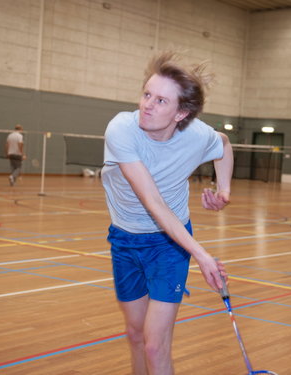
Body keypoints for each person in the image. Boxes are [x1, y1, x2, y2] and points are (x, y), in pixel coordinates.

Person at [101, 52, 233, 375]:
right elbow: (152, 202)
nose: (147, 104)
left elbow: (225, 143)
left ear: (181, 113)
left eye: (161, 101)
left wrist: (224, 191)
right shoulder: (121, 130)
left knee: (154, 344)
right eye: (147, 94)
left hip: (170, 244)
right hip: (125, 238)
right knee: (135, 334)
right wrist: (202, 254)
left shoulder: (197, 135)